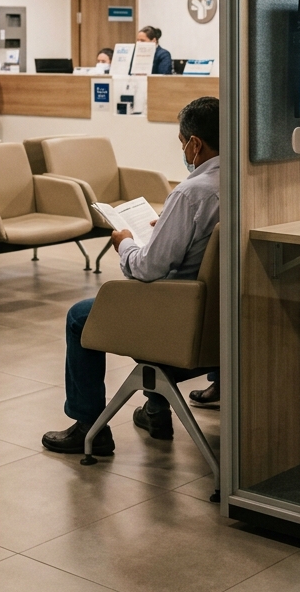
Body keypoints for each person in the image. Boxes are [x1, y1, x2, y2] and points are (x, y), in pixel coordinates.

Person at [42, 95, 219, 455]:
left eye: (183, 143)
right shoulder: (242, 180)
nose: (183, 150)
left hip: (179, 317)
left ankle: (89, 426)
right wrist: (166, 228)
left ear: (195, 143)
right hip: (221, 317)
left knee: (82, 315)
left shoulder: (191, 193)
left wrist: (124, 242)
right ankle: (155, 408)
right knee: (145, 302)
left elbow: (149, 269)